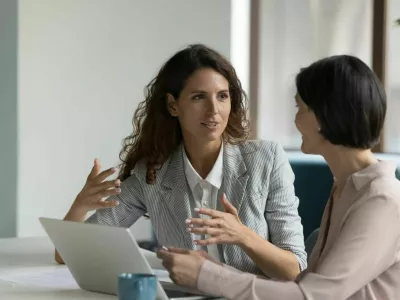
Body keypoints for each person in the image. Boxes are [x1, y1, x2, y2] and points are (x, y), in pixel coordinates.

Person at [157, 55, 400, 299]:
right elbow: (306, 284)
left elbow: (313, 295)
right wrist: (212, 269)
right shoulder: (346, 188)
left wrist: (206, 276)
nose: (295, 120)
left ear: (323, 117)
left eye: (300, 108)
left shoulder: (381, 200)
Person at [55, 44, 307, 280]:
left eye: (222, 96)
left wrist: (244, 237)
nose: (214, 110)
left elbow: (295, 270)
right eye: (199, 97)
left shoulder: (266, 159)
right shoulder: (151, 175)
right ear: (173, 105)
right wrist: (80, 206)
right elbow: (66, 254)